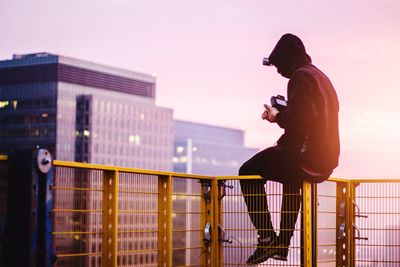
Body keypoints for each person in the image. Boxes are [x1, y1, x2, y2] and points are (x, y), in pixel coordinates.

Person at [239, 33, 340, 265]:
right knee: (290, 176)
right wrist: (283, 113)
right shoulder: (320, 77)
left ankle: (266, 238)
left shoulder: (300, 77)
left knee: (247, 171)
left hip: (305, 156)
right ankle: (282, 244)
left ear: (287, 59)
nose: (277, 71)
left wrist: (277, 116)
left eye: (278, 65)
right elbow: (313, 115)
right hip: (324, 159)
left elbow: (299, 119)